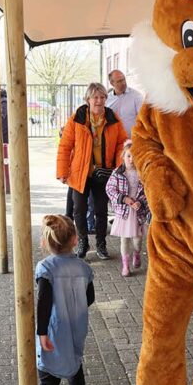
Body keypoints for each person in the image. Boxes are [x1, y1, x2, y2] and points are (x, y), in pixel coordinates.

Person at [35, 215, 98, 385]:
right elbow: (89, 297)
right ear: (75, 239)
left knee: (48, 378)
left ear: (45, 242)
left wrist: (42, 333)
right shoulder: (84, 267)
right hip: (77, 325)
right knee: (74, 362)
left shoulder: (46, 269)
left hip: (52, 330)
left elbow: (43, 304)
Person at [56, 83, 127, 260]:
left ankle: (101, 245)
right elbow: (65, 146)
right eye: (95, 97)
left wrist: (118, 168)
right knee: (79, 210)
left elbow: (122, 144)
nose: (99, 100)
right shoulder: (77, 118)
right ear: (88, 99)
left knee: (101, 210)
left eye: (102, 97)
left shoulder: (113, 118)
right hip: (79, 173)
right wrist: (62, 171)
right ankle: (82, 242)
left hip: (103, 173)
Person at [105, 140, 149, 277]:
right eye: (129, 156)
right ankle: (125, 265)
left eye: (135, 156)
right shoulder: (117, 173)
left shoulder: (142, 174)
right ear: (123, 156)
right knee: (124, 239)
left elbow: (148, 191)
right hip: (123, 211)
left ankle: (137, 253)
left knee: (137, 239)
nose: (131, 159)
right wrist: (124, 199)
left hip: (137, 212)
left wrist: (140, 202)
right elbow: (110, 189)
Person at [106, 70, 143, 137]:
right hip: (113, 139)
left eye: (123, 79)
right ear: (112, 83)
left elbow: (142, 117)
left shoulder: (136, 96)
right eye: (119, 81)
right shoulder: (107, 98)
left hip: (131, 138)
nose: (123, 83)